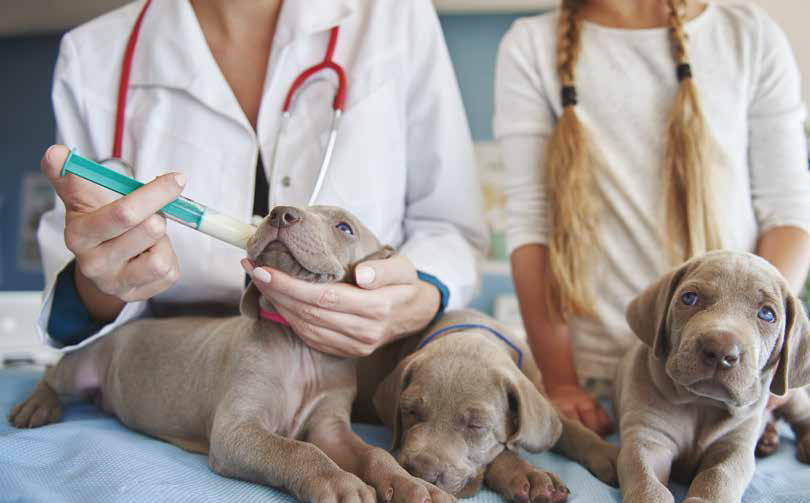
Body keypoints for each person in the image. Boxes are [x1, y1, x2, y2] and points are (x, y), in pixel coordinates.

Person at [37, 0, 487, 357]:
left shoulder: (395, 15)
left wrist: (413, 302)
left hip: (361, 368)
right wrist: (104, 279)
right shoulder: (93, 58)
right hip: (185, 364)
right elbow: (75, 300)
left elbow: (448, 228)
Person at [495, 0, 810, 435]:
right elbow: (532, 226)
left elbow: (788, 212)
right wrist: (562, 382)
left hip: (734, 371)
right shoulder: (530, 45)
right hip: (601, 377)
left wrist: (761, 354)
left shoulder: (749, 35)